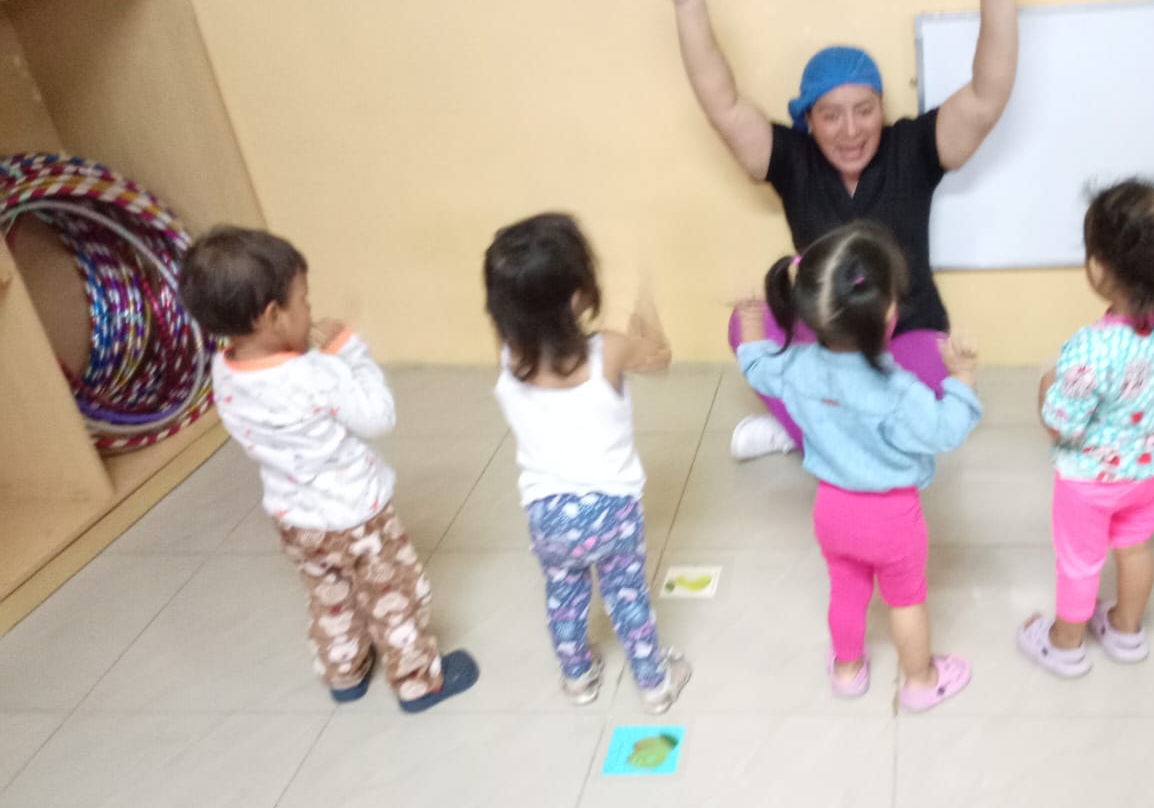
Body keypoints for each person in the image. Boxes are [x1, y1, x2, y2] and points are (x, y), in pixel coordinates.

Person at [646, 0, 1024, 461]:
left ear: (881, 107)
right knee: (748, 326)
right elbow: (722, 104)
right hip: (824, 338)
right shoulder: (791, 159)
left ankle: (819, 423)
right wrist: (688, 2)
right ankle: (812, 433)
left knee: (935, 381)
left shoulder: (914, 147)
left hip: (909, 334)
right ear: (809, 120)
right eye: (831, 115)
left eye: (863, 110)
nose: (850, 130)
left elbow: (987, 95)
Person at [180, 227, 479, 711]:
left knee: (329, 595)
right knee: (394, 597)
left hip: (294, 518)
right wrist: (350, 353)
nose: (310, 311)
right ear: (273, 316)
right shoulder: (314, 374)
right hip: (357, 517)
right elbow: (378, 417)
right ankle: (418, 682)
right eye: (303, 301)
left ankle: (344, 672)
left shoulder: (225, 369)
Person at [734, 220, 982, 712]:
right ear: (889, 313)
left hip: (831, 511)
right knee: (905, 601)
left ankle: (847, 671)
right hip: (893, 519)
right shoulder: (898, 390)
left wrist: (752, 321)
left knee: (846, 593)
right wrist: (963, 376)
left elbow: (756, 366)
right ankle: (920, 681)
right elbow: (946, 430)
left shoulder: (796, 366)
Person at [484, 213, 691, 713]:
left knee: (564, 595)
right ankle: (655, 683)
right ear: (580, 294)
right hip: (612, 511)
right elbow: (660, 357)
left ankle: (577, 676)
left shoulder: (509, 356)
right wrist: (645, 310)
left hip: (547, 514)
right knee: (627, 594)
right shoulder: (609, 351)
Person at [1019, 181, 1154, 677]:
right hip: (1152, 468)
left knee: (1080, 561)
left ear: (1100, 270)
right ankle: (1126, 630)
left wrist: (1047, 385)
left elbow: (1062, 424)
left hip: (1090, 479)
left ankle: (1065, 643)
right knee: (1136, 545)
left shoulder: (1092, 350)